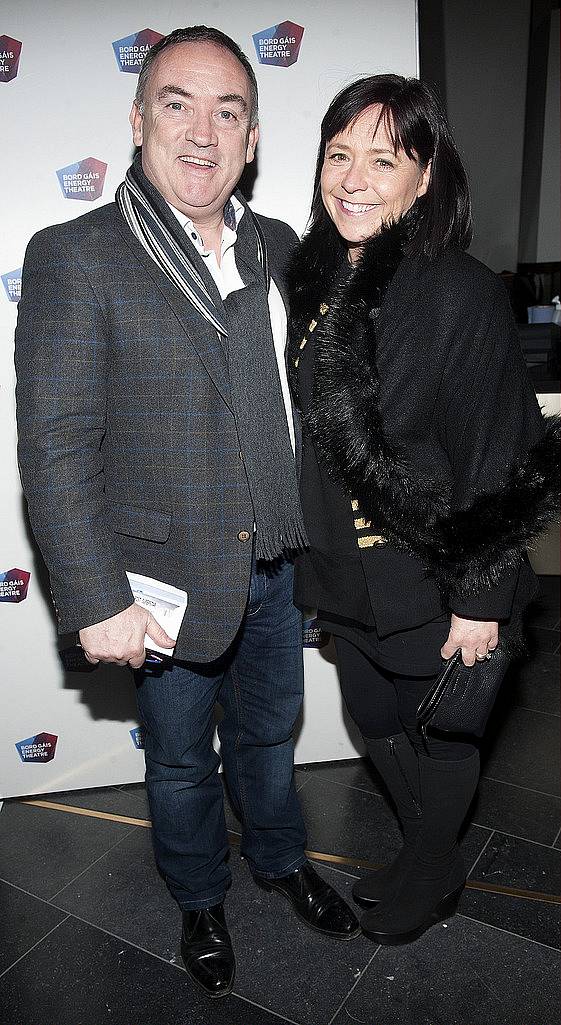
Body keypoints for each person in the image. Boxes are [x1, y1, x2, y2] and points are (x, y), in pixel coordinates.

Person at [14, 25, 359, 999]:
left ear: (253, 138)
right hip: (158, 581)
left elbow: (321, 406)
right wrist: (94, 597)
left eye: (229, 111)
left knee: (269, 733)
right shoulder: (75, 255)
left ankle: (281, 858)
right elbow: (56, 444)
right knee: (176, 761)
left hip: (282, 564)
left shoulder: (285, 248)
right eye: (178, 103)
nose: (203, 132)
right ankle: (201, 894)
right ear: (138, 119)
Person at [287, 74, 559, 946]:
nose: (353, 180)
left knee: (439, 729)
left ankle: (431, 869)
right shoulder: (319, 282)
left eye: (382, 159)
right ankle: (433, 853)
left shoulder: (459, 292)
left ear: (424, 174)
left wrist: (478, 600)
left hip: (431, 572)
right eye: (338, 156)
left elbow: (497, 454)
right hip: (346, 571)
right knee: (373, 718)